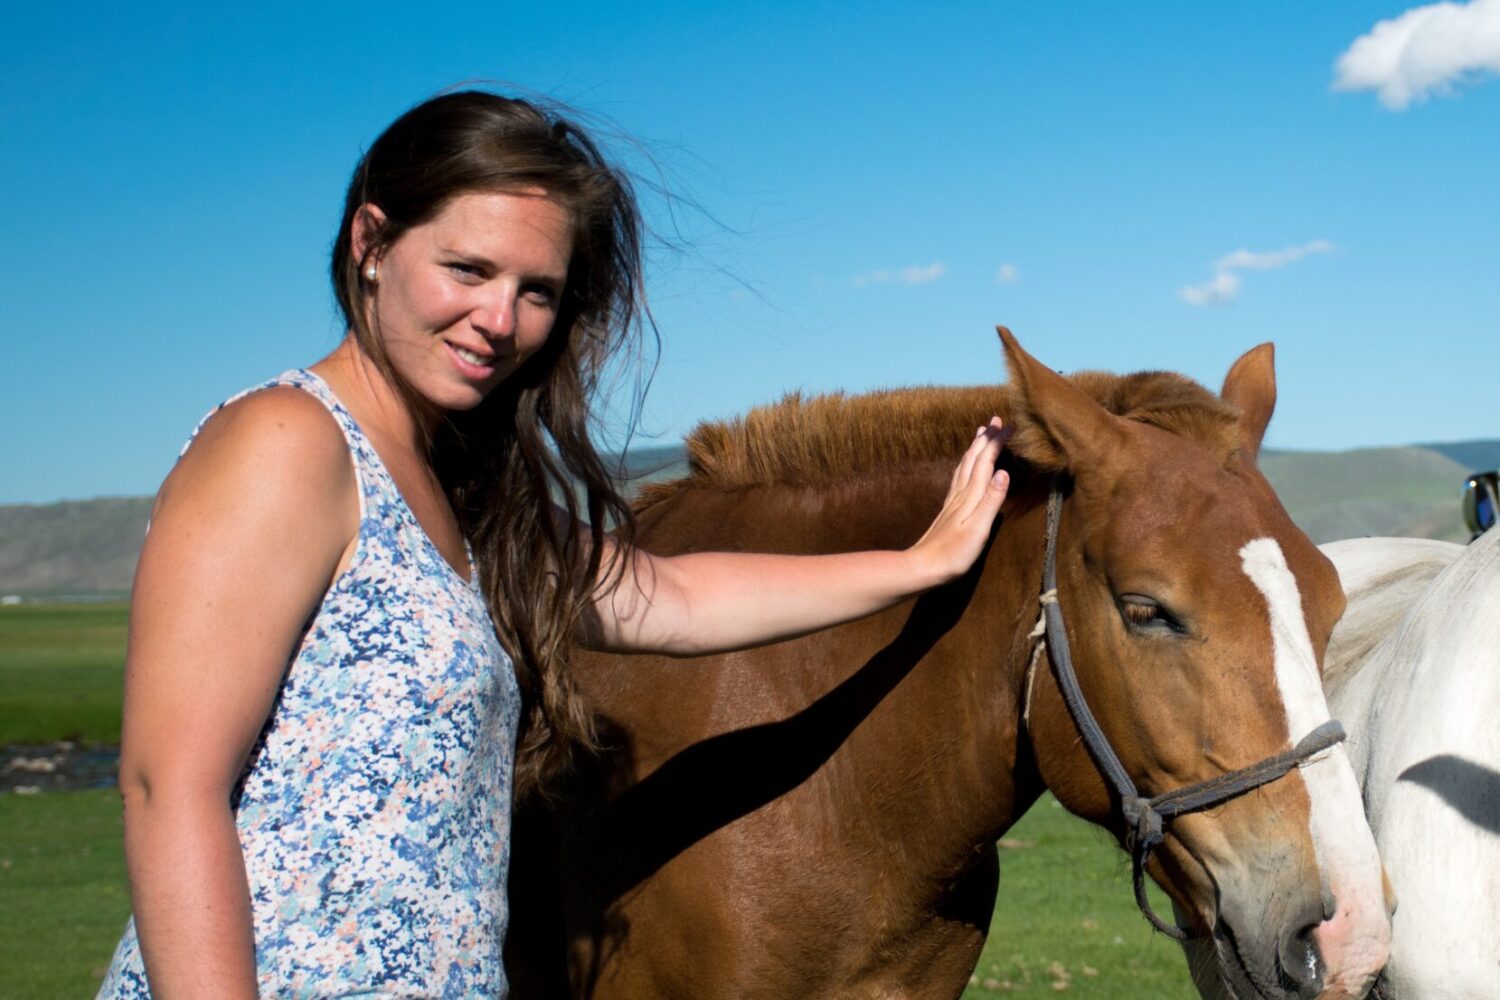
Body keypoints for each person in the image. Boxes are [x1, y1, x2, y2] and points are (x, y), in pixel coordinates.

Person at [98, 90, 1011, 998]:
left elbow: (676, 599)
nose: (500, 320)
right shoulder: (289, 442)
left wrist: (916, 563)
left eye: (536, 290)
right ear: (370, 245)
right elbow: (168, 788)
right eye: (467, 268)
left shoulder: (466, 496)